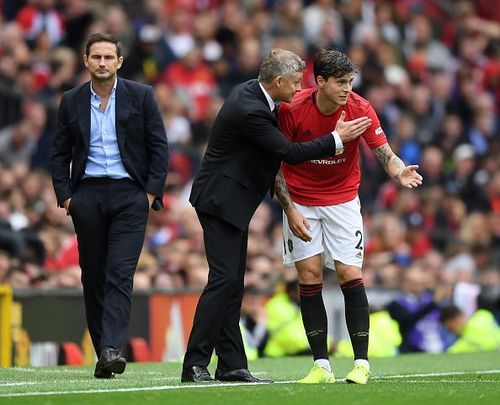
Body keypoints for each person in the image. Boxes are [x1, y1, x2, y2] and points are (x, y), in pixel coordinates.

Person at [181, 48, 372, 383]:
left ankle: (231, 364)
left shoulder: (255, 96)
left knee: (231, 285)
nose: (300, 89)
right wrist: (336, 139)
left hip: (234, 203)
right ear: (279, 81)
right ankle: (195, 362)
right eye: (296, 82)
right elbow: (289, 153)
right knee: (223, 281)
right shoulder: (251, 109)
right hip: (220, 201)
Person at [274, 49, 423, 384]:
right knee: (309, 276)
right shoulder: (292, 109)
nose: (347, 89)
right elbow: (275, 161)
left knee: (348, 273)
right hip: (300, 200)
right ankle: (321, 366)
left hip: (342, 200)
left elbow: (383, 150)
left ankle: (361, 364)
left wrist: (398, 170)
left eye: (350, 82)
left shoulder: (359, 107)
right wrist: (289, 208)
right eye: (340, 82)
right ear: (320, 81)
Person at [50, 33, 169, 379]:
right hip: (86, 196)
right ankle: (106, 352)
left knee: (119, 273)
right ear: (86, 61)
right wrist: (67, 197)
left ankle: (112, 348)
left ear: (119, 62)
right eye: (96, 57)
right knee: (93, 275)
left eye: (108, 57)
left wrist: (148, 194)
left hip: (129, 195)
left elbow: (159, 148)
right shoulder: (71, 101)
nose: (102, 63)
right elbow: (58, 153)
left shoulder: (142, 95)